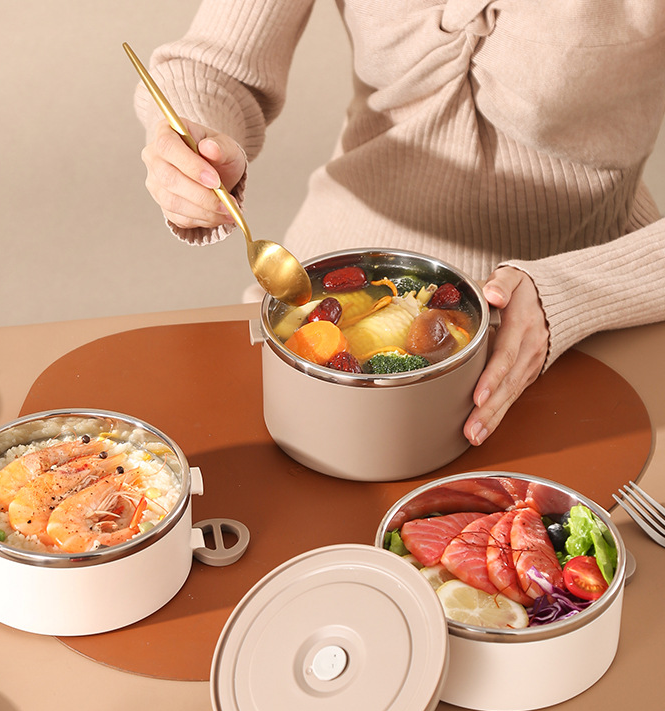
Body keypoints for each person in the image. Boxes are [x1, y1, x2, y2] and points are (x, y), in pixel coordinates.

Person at [134, 0, 665, 446]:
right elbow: (214, 67)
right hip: (325, 291)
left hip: (598, 309)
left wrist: (570, 292)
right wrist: (190, 140)